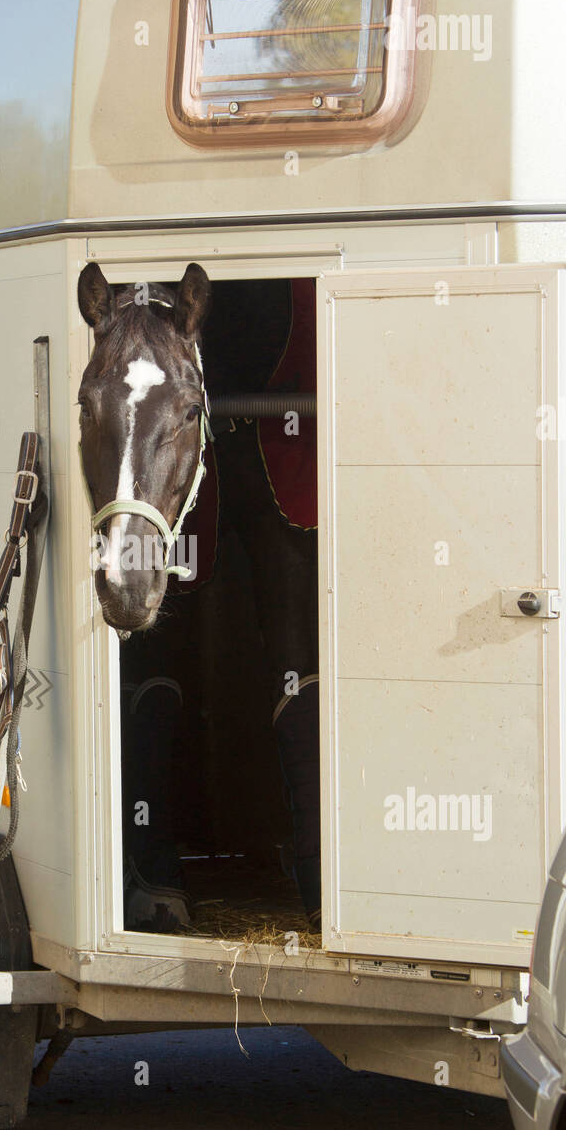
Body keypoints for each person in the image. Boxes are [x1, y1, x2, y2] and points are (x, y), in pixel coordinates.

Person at [122, 278, 321, 932]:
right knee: (154, 649)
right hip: (184, 468)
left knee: (303, 665)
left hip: (284, 456)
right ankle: (151, 861)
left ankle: (320, 870)